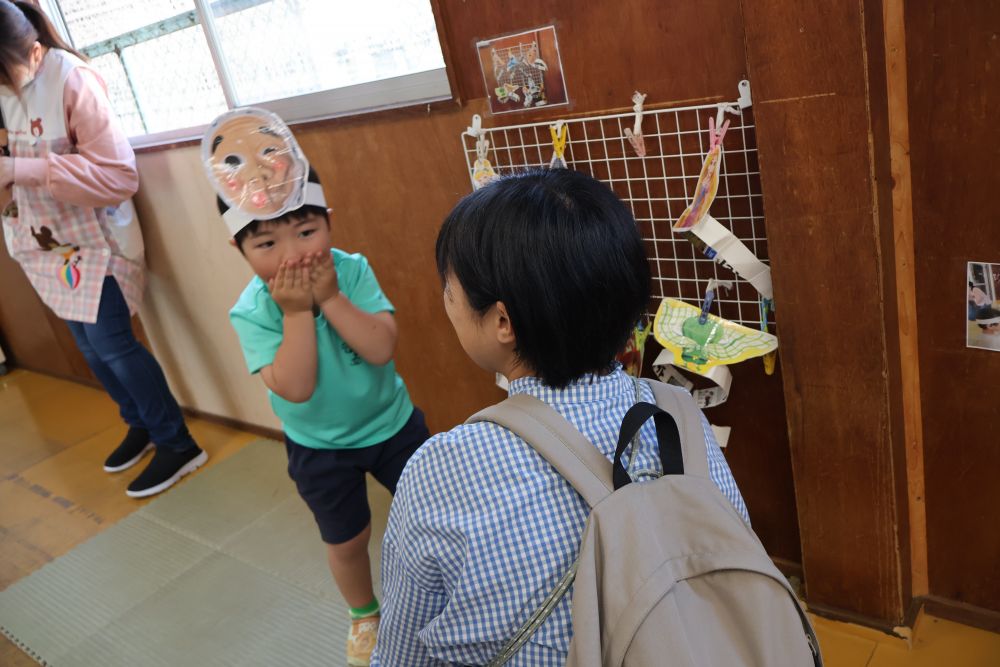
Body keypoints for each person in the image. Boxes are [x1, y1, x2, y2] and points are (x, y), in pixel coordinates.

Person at [372, 169, 750, 666]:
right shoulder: (678, 414)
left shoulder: (444, 468)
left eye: (451, 287)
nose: (446, 299)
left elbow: (402, 656)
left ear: (503, 322)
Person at [212, 108, 428, 667]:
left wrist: (330, 298)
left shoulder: (350, 270)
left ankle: (445, 586)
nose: (294, 255)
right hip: (319, 448)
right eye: (266, 245)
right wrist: (295, 314)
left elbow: (382, 348)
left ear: (328, 221)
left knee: (431, 512)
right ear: (239, 250)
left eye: (307, 232)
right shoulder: (253, 312)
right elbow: (296, 388)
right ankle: (364, 614)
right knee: (347, 541)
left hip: (393, 424)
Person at [0, 0, 205, 498]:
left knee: (114, 344)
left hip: (95, 243)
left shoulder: (72, 80)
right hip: (48, 247)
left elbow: (119, 176)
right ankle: (139, 421)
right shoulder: (6, 86)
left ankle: (177, 442)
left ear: (31, 50)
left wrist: (20, 170)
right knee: (91, 347)